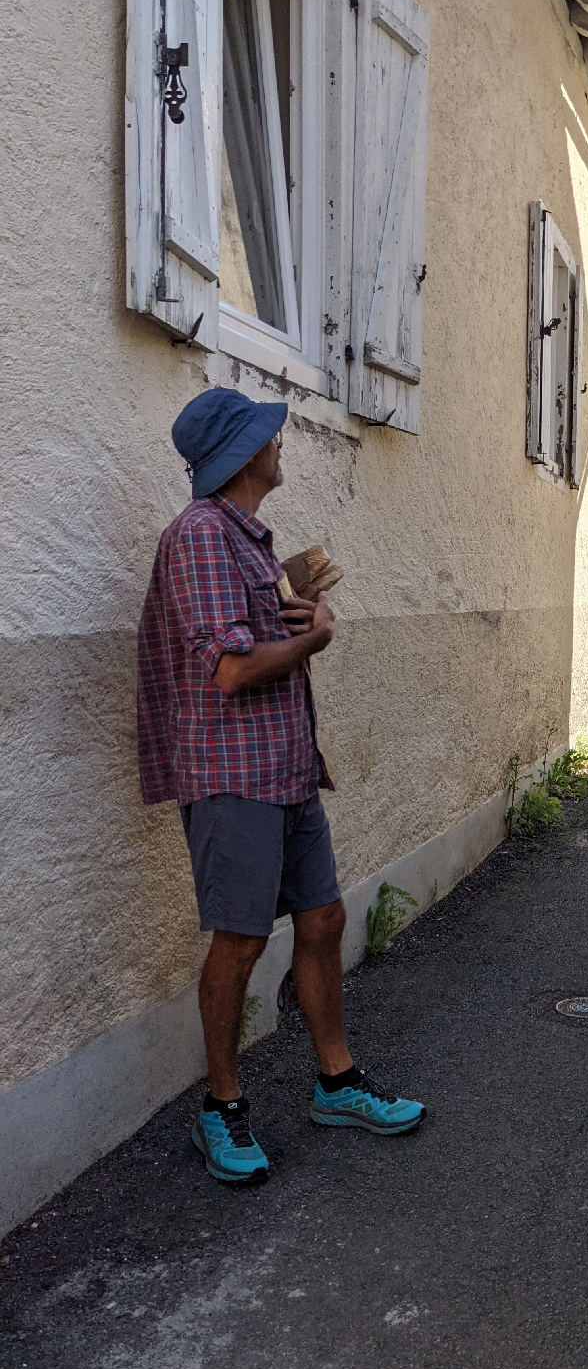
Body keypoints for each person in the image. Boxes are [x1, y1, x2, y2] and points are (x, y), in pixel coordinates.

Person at [137, 387, 423, 1185]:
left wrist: (296, 608)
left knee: (323, 918)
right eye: (269, 436)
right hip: (234, 776)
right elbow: (229, 671)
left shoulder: (245, 538)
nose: (279, 444)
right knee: (241, 939)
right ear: (243, 454)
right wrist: (316, 637)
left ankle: (336, 1083)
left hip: (286, 768)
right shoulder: (201, 535)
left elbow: (247, 639)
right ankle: (220, 1107)